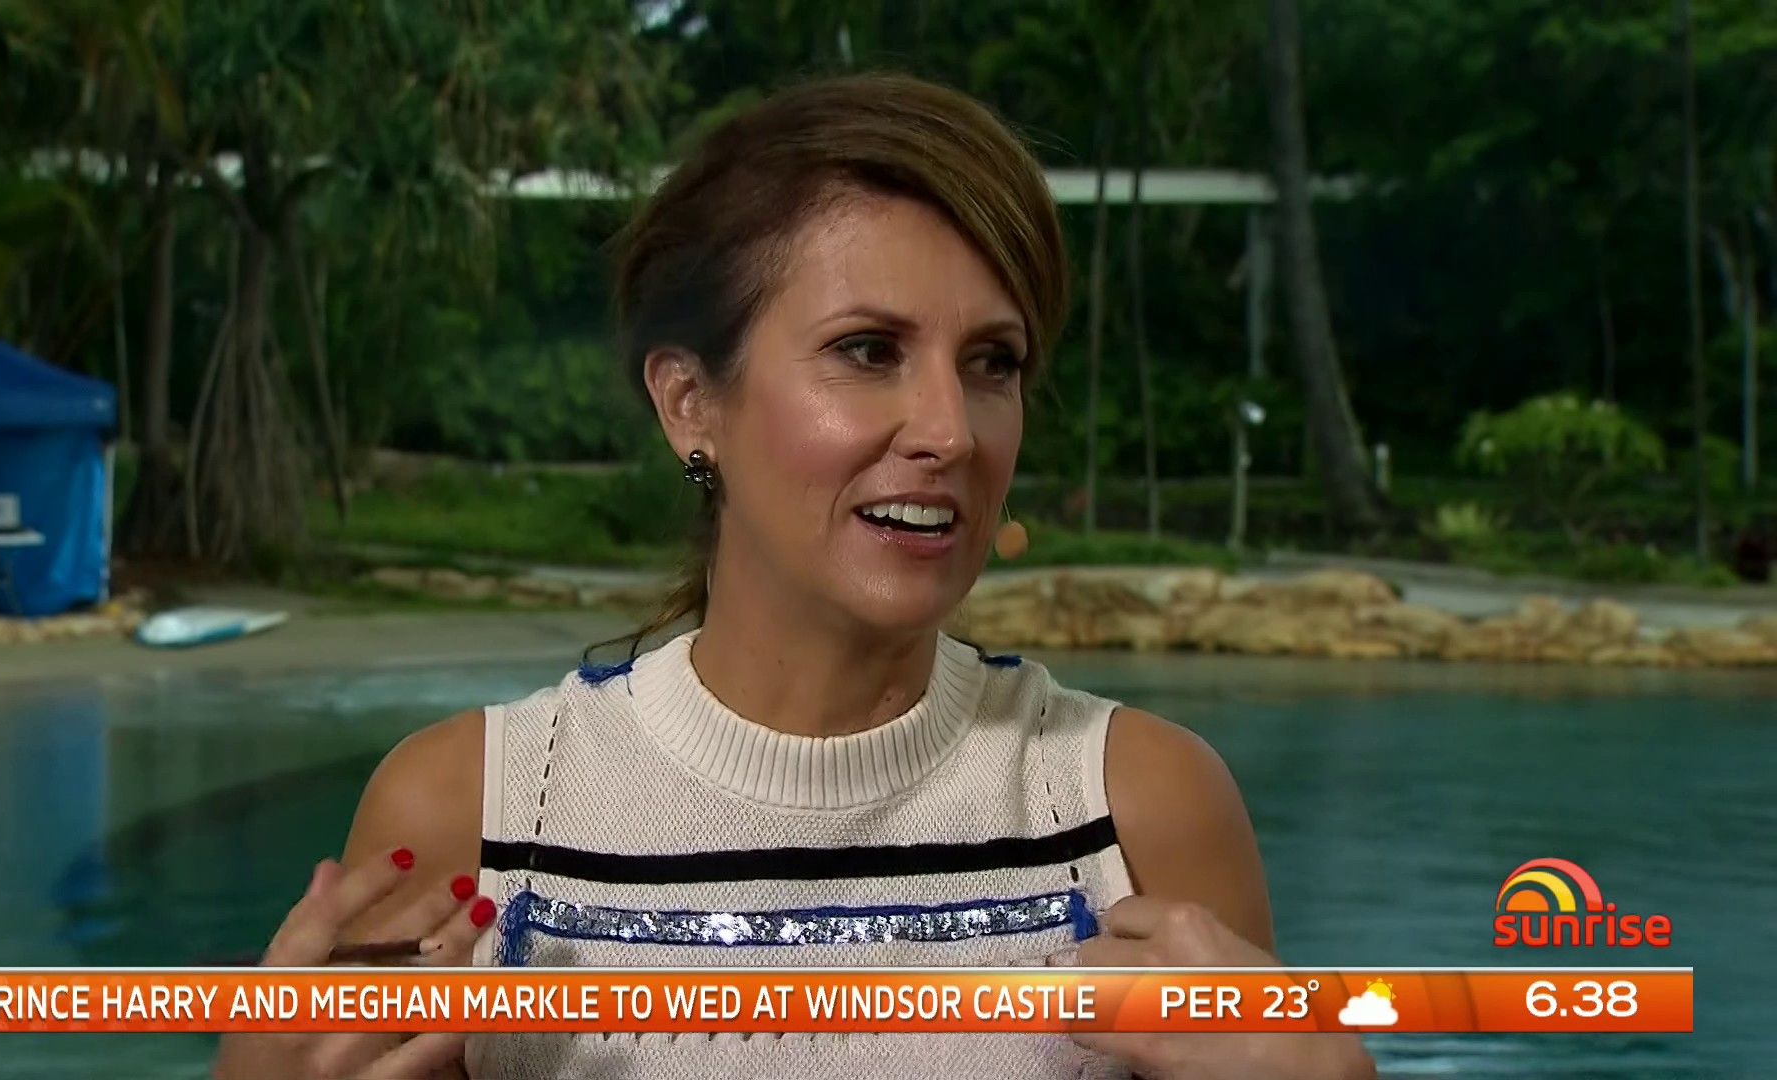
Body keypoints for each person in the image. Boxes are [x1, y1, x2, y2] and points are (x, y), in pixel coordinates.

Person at [214, 74, 1376, 1080]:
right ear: (690, 403)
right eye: (868, 351)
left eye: (993, 363)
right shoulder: (475, 815)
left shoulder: (1139, 809)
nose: (950, 431)